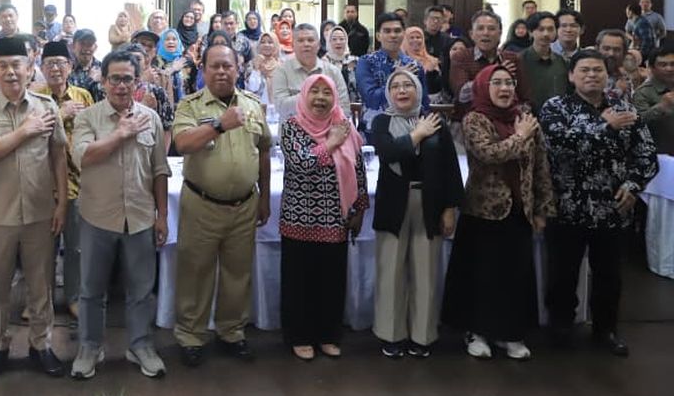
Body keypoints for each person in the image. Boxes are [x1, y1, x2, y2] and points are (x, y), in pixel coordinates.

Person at [541, 49, 656, 357]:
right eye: (584, 70)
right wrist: (604, 128)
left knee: (610, 275)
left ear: (607, 75)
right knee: (562, 274)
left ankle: (606, 330)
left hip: (613, 209)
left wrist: (634, 185)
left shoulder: (624, 109)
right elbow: (558, 145)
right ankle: (561, 329)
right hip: (567, 206)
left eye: (597, 70)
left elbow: (646, 155)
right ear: (571, 76)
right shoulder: (556, 108)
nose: (591, 75)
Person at [0, 35, 68, 380]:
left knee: (41, 284)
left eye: (16, 64)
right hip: (0, 213)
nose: (10, 72)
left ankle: (41, 345)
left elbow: (59, 156)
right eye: (3, 66)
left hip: (41, 211)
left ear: (29, 68)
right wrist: (25, 132)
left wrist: (62, 203)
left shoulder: (46, 106)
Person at [68, 50, 170, 380]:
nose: (121, 85)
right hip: (97, 217)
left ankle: (140, 346)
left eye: (128, 79)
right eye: (115, 79)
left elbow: (160, 170)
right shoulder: (88, 118)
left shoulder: (151, 119)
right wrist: (120, 134)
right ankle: (89, 347)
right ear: (103, 81)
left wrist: (162, 216)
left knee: (141, 290)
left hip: (140, 217)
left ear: (137, 81)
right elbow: (82, 157)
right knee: (91, 289)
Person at [442, 65, 553, 361]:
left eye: (509, 83)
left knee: (514, 275)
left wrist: (542, 208)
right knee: (483, 276)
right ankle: (476, 332)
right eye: (497, 83)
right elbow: (489, 153)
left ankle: (509, 333)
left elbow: (541, 165)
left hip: (519, 210)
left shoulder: (525, 118)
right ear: (483, 86)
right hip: (483, 212)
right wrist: (520, 137)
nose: (504, 89)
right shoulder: (474, 118)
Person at [171, 43, 272, 366]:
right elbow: (182, 143)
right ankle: (191, 336)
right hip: (202, 204)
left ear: (237, 69)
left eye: (227, 66)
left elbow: (264, 150)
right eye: (214, 66)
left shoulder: (253, 104)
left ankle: (232, 332)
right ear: (203, 70)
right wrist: (218, 124)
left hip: (245, 205)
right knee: (195, 272)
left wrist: (264, 198)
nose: (221, 71)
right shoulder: (190, 105)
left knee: (237, 273)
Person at [370, 70, 462, 358]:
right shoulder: (381, 121)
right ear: (388, 93)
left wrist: (450, 208)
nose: (401, 90)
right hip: (393, 204)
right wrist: (417, 135)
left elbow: (450, 167)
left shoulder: (436, 121)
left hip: (430, 202)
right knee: (391, 272)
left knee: (426, 272)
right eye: (395, 86)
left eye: (407, 85)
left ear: (418, 90)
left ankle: (423, 336)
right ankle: (392, 335)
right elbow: (388, 153)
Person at [279, 74, 367, 361]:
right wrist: (330, 144)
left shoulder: (343, 125)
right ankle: (300, 336)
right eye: (314, 91)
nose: (320, 98)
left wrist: (360, 208)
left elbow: (358, 168)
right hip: (299, 219)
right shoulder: (291, 127)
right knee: (299, 282)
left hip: (336, 219)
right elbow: (300, 163)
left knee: (331, 281)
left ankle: (328, 334)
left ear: (334, 97)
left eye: (326, 92)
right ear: (304, 96)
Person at [32, 41, 94, 320]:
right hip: (42, 185)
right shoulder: (34, 97)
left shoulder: (83, 96)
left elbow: (95, 132)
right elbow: (30, 135)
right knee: (41, 248)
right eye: (49, 64)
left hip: (78, 183)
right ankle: (39, 300)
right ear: (41, 68)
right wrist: (60, 114)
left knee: (76, 247)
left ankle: (74, 297)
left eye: (60, 63)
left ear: (70, 66)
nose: (55, 68)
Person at [355, 13, 428, 130]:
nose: (393, 35)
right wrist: (395, 77)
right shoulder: (366, 62)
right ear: (378, 36)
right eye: (387, 31)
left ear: (403, 34)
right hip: (373, 128)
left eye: (397, 31)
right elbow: (371, 99)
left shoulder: (415, 66)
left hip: (410, 128)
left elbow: (423, 102)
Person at [268, 24, 347, 121]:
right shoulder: (282, 71)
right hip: (292, 127)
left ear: (318, 45)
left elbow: (344, 107)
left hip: (327, 127)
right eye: (300, 40)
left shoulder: (333, 71)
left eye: (310, 40)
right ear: (293, 45)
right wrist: (309, 95)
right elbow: (281, 107)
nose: (306, 44)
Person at [449, 10, 516, 118]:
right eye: (480, 28)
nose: (486, 33)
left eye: (491, 29)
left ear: (500, 34)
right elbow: (462, 95)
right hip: (469, 117)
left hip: (506, 118)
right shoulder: (461, 57)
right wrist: (496, 72)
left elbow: (523, 95)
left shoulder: (511, 58)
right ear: (471, 34)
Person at [514, 11, 568, 116]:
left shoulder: (561, 61)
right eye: (541, 29)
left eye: (550, 29)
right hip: (528, 118)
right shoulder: (519, 60)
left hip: (558, 118)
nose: (546, 34)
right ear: (531, 32)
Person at [634, 41, 674, 155]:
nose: (669, 69)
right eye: (663, 65)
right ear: (652, 68)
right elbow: (639, 123)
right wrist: (661, 107)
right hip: (661, 154)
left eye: (673, 64)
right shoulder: (643, 92)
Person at [402, 26, 445, 99]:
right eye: (411, 38)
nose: (415, 40)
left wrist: (431, 73)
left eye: (418, 37)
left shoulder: (432, 60)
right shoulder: (401, 61)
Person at [595, 29, 633, 102]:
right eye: (606, 49)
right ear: (597, 49)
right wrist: (619, 91)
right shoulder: (589, 75)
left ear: (624, 52)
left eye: (617, 50)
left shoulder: (625, 76)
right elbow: (594, 102)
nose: (611, 54)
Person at [69, 29, 104, 102]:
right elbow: (71, 96)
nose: (85, 48)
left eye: (89, 44)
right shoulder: (67, 70)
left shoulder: (104, 68)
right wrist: (90, 80)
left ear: (95, 47)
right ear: (73, 47)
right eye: (82, 44)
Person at [245, 32, 280, 101]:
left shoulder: (281, 66)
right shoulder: (252, 64)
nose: (266, 45)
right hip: (257, 104)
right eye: (263, 42)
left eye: (270, 42)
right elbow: (252, 88)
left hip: (276, 105)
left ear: (275, 45)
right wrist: (256, 68)